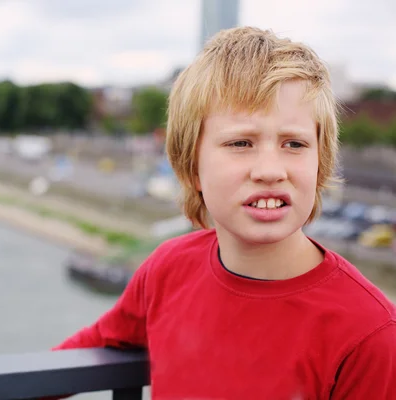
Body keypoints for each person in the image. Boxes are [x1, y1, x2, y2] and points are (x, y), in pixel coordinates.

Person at [52, 26, 396, 399]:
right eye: (241, 143)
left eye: (293, 143)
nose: (270, 169)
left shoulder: (370, 333)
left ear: (321, 164)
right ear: (191, 169)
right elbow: (87, 348)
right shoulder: (167, 271)